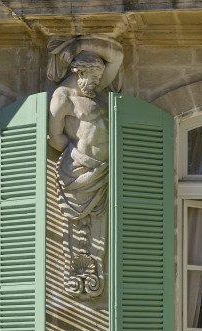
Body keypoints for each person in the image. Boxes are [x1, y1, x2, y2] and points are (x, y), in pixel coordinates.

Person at [47, 35, 123, 297]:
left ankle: (92, 272)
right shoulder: (63, 97)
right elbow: (55, 137)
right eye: (93, 78)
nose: (98, 83)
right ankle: (80, 275)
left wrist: (80, 45)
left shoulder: (99, 90)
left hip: (104, 171)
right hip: (79, 171)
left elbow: (117, 55)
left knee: (100, 231)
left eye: (99, 77)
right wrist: (79, 158)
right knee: (79, 232)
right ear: (80, 72)